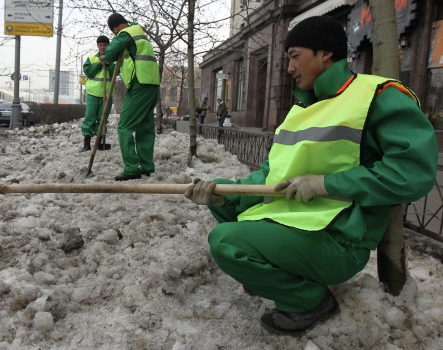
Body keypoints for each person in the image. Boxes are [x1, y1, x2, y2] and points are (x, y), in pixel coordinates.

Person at [184, 16, 437, 335]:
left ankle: (309, 300)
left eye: (294, 55)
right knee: (224, 205)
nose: (289, 68)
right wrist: (221, 191)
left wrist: (326, 183)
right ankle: (276, 271)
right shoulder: (301, 109)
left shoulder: (378, 95)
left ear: (325, 54)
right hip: (297, 223)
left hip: (339, 237)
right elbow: (272, 173)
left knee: (225, 242)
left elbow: (413, 172)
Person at [103, 13, 160, 181]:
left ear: (115, 28)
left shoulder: (126, 33)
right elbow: (126, 60)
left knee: (124, 126)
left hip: (139, 85)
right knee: (145, 126)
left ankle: (132, 168)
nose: (115, 36)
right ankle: (146, 165)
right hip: (151, 84)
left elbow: (111, 52)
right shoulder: (138, 33)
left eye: (114, 33)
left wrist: (105, 57)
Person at [81, 35, 115, 152]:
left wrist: (108, 62)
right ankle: (86, 144)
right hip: (93, 93)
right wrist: (100, 64)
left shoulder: (114, 59)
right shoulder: (91, 58)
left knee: (102, 119)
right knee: (90, 118)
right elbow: (89, 72)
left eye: (105, 45)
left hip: (107, 95)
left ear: (108, 45)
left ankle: (99, 143)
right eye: (100, 45)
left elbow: (116, 71)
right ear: (97, 46)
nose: (103, 47)